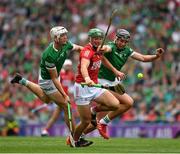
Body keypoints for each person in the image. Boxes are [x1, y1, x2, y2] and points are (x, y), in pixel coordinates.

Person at [10, 26, 92, 146]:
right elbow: (53, 78)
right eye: (62, 35)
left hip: (54, 76)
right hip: (48, 80)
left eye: (65, 35)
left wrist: (91, 52)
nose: (66, 37)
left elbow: (79, 48)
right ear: (56, 38)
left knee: (46, 99)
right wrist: (64, 95)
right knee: (66, 105)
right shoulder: (49, 55)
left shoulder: (66, 44)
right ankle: (75, 138)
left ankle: (22, 81)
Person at [83, 28, 164, 139]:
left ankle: (100, 123)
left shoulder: (127, 50)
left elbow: (143, 58)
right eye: (121, 40)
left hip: (113, 82)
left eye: (125, 42)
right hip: (101, 80)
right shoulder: (111, 46)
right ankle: (80, 134)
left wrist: (156, 56)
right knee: (102, 115)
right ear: (116, 39)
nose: (122, 43)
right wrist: (102, 50)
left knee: (129, 103)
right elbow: (104, 52)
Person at [70, 28, 128, 147]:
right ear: (90, 39)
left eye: (99, 39)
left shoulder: (99, 51)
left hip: (94, 86)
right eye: (95, 38)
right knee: (85, 121)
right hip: (82, 87)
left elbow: (103, 60)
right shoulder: (87, 51)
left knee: (114, 104)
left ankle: (94, 111)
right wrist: (86, 78)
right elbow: (84, 67)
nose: (97, 41)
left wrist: (115, 71)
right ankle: (74, 140)